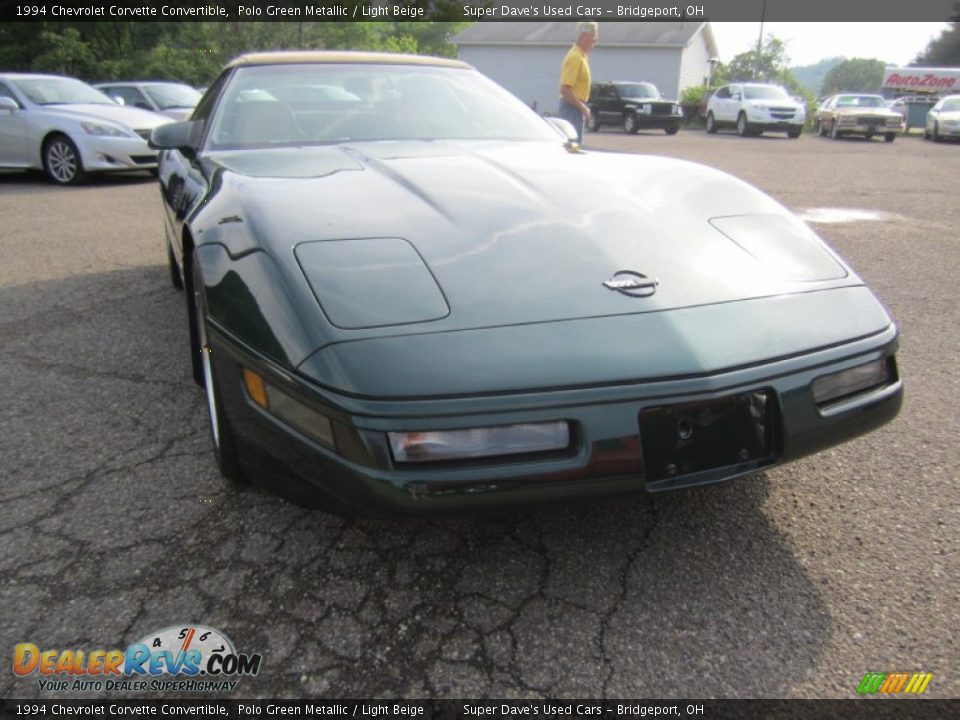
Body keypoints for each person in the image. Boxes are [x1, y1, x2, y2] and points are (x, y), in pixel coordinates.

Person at [558, 22, 598, 143]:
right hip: (572, 108)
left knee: (576, 145)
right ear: (585, 36)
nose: (595, 41)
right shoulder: (575, 57)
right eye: (594, 37)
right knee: (573, 146)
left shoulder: (582, 56)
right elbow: (565, 89)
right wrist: (582, 107)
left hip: (575, 108)